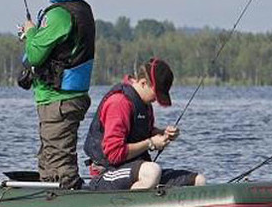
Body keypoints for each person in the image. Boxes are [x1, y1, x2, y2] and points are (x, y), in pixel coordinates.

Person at [18, 0, 95, 189]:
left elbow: (35, 54)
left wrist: (30, 32)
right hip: (66, 97)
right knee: (51, 158)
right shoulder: (82, 8)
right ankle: (54, 200)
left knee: (58, 163)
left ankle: (66, 205)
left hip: (58, 100)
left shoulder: (61, 14)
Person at [83, 57, 206, 190]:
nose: (156, 100)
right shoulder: (119, 103)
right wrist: (151, 143)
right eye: (156, 94)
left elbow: (140, 132)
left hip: (134, 169)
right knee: (152, 172)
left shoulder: (144, 103)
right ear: (143, 83)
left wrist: (162, 133)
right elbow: (114, 154)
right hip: (107, 173)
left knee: (198, 181)